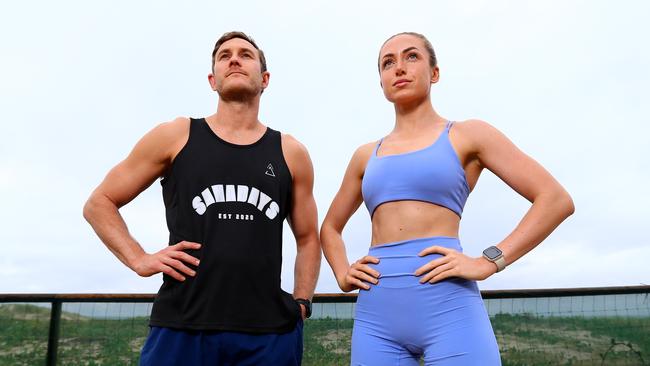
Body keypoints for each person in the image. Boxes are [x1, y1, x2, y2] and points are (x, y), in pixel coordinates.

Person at [321, 32, 575, 366]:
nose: (399, 68)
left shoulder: (468, 135)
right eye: (388, 62)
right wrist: (342, 272)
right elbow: (330, 228)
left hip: (450, 309)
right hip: (376, 320)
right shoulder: (365, 156)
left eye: (411, 57)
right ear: (381, 83)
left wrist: (488, 261)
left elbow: (555, 199)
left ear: (434, 73)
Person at [83, 31, 321, 365]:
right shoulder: (177, 136)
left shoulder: (290, 152)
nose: (234, 59)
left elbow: (309, 238)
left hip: (269, 334)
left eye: (245, 54)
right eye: (224, 56)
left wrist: (302, 302)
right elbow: (99, 202)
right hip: (182, 326)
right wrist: (139, 259)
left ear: (265, 79)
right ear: (213, 80)